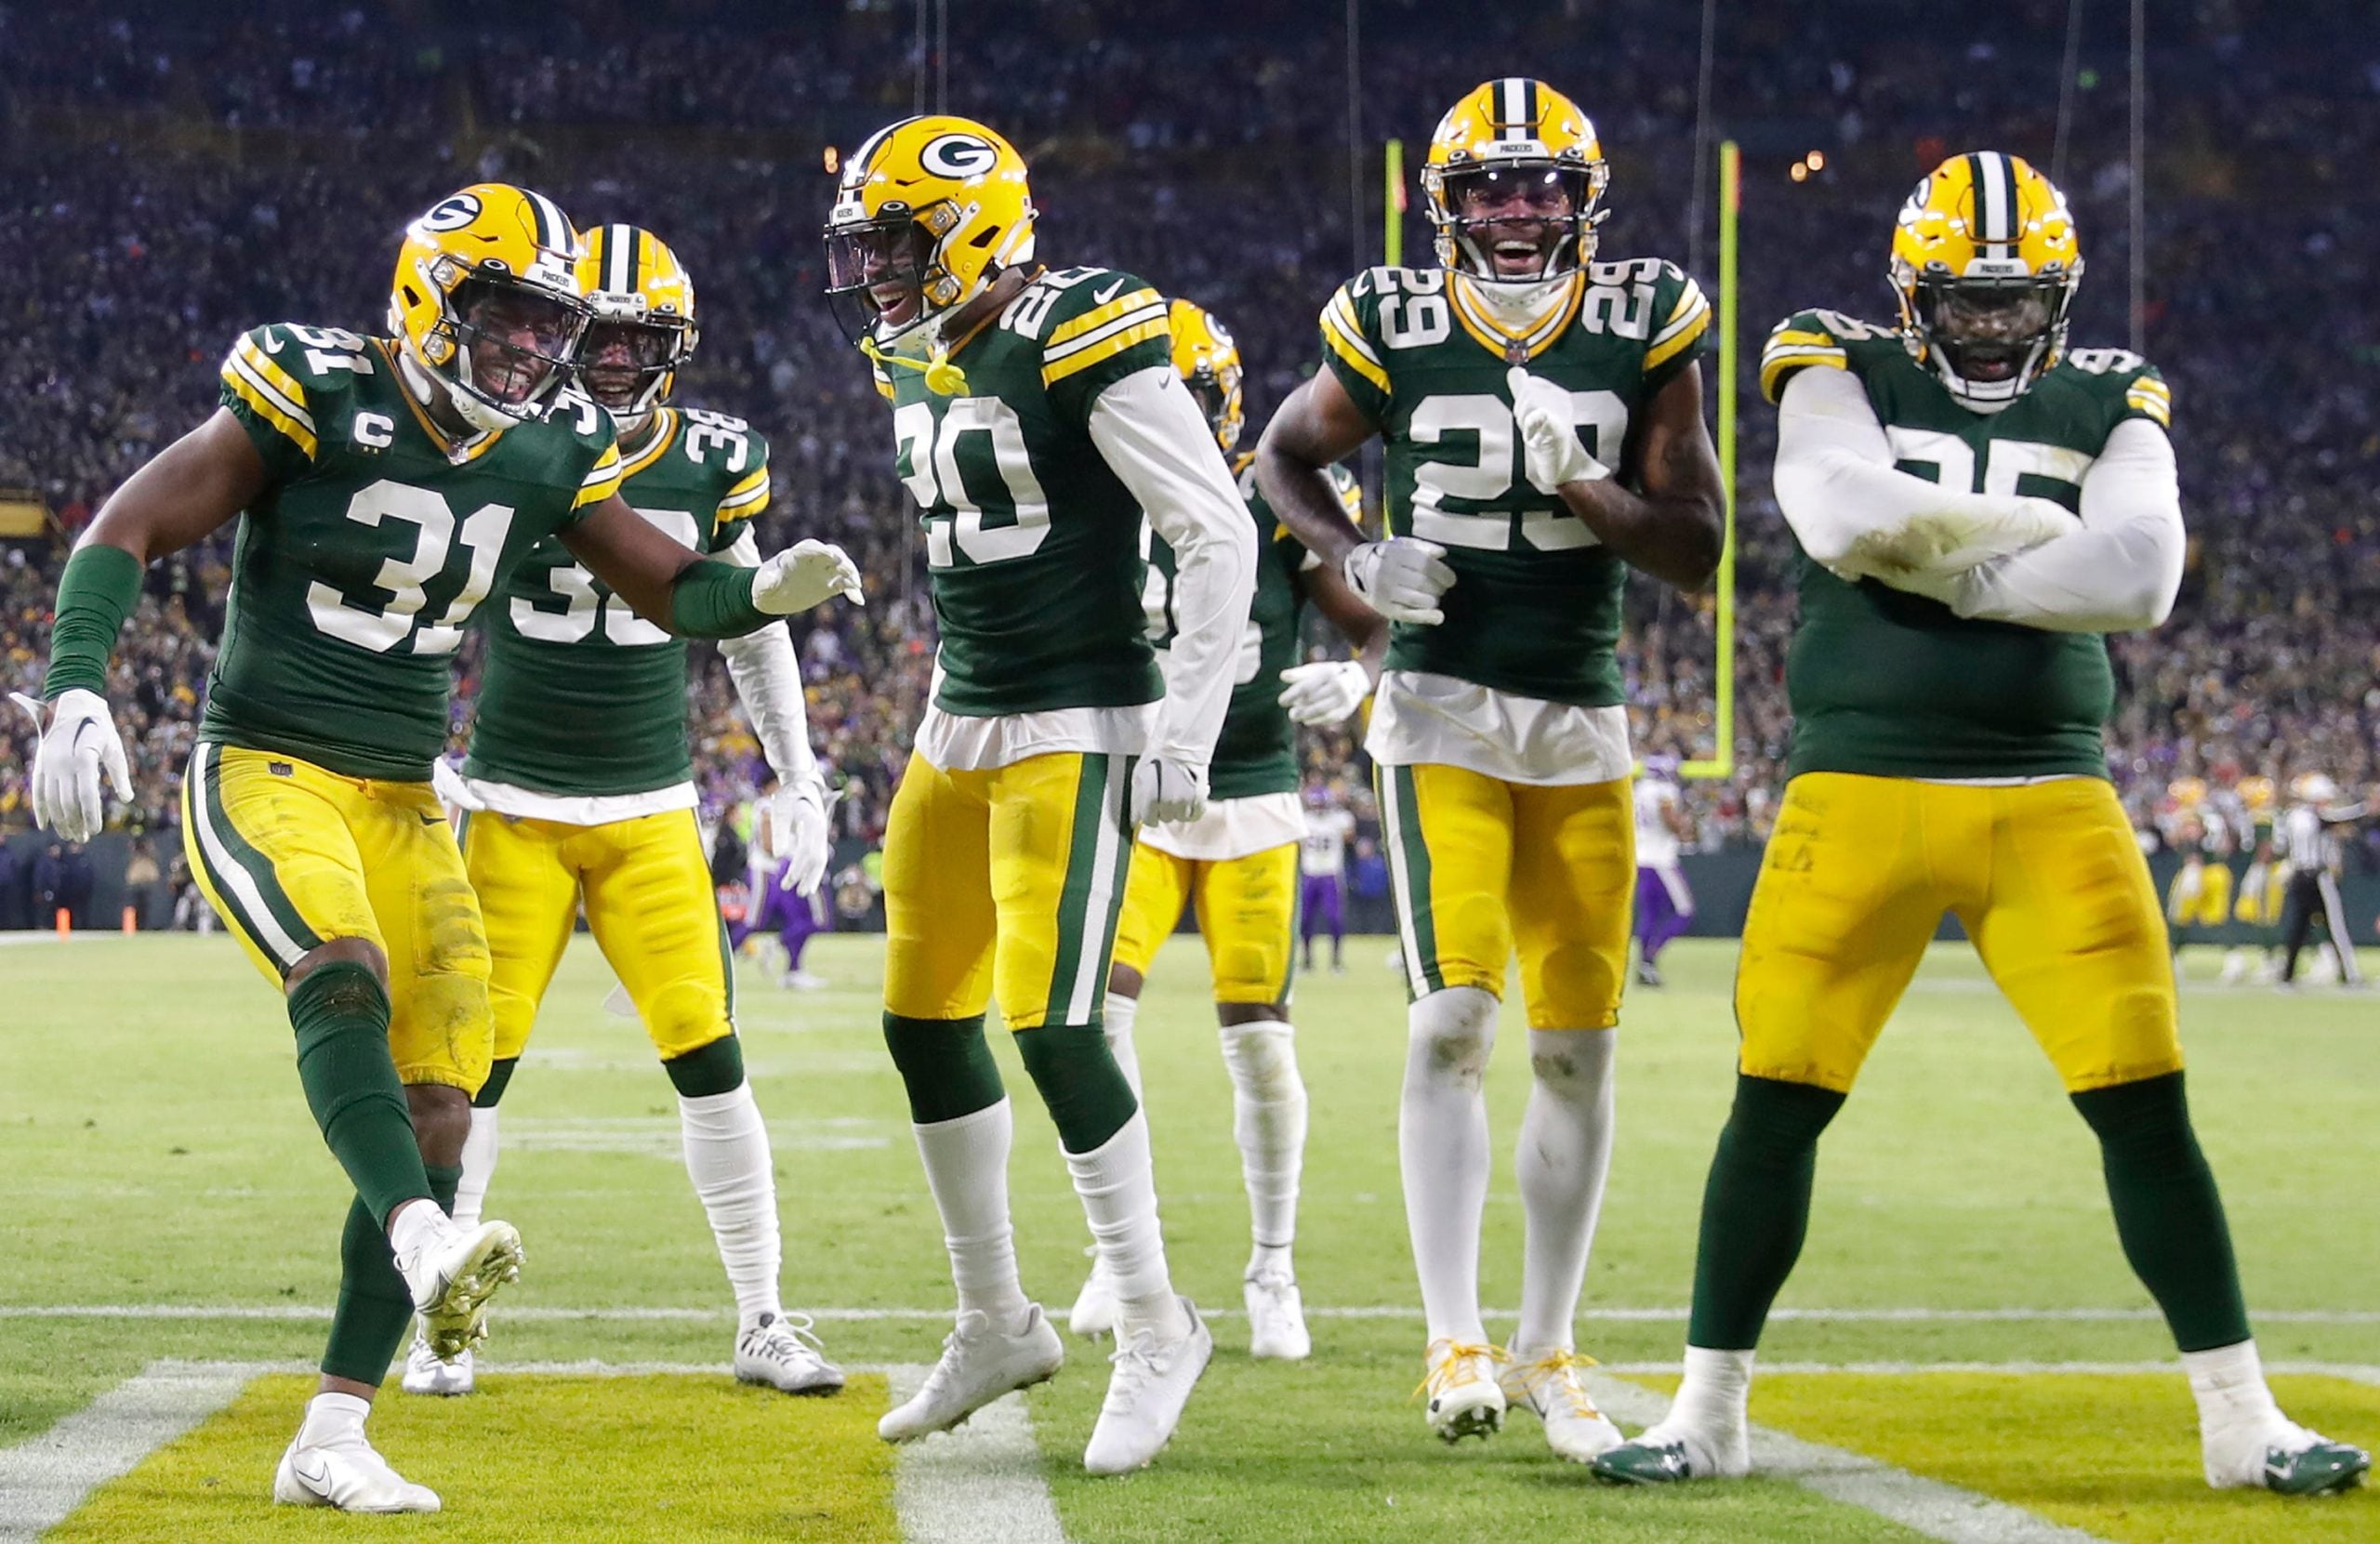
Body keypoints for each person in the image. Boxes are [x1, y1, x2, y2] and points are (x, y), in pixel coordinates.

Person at [11, 183, 862, 1513]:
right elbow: (131, 524)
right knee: (340, 966)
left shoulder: (545, 448)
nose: (532, 352)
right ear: (432, 298)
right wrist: (76, 681)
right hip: (269, 764)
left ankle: (332, 1437)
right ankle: (421, 1240)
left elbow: (668, 583)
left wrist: (762, 591)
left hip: (407, 793)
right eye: (509, 320)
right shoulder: (321, 391)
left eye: (548, 328)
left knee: (446, 1104)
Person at [1592, 152, 2368, 1498]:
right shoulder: (1828, 354)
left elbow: (2142, 574)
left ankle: (2242, 1420)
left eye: (2019, 302)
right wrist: (2031, 546)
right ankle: (1706, 1410)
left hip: (2053, 801)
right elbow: (1834, 510)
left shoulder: (2116, 387)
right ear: (1911, 294)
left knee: (2146, 1106)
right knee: (1773, 1105)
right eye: (1969, 302)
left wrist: (1937, 555)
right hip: (1859, 794)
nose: (1997, 326)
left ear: (2059, 295)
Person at [1255, 77, 1724, 1461]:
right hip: (1443, 712)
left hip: (1579, 719)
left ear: (1585, 199)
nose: (1517, 211)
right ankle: (1453, 1340)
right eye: (1489, 187)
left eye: (1542, 185)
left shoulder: (1647, 319)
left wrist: (1588, 487)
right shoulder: (1393, 322)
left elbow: (1695, 547)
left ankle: (1547, 1343)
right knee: (1450, 1023)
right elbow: (1282, 452)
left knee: (1577, 1048)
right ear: (1443, 202)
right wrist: (1348, 553)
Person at [825, 115, 1255, 1473]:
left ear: (976, 226)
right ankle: (996, 1317)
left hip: (1083, 714)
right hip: (962, 719)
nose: (881, 272)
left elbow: (1215, 525)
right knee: (921, 1019)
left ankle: (1152, 1316)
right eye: (869, 246)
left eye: (900, 241)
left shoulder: (1086, 325)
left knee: (1059, 1024)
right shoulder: (913, 351)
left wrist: (1187, 729)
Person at [412, 224, 850, 1400]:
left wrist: (796, 771)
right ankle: (438, 1312)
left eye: (635, 339)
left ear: (673, 346)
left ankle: (762, 1314)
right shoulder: (508, 438)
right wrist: (421, 744)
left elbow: (753, 624)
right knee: (472, 1077)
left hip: (651, 806)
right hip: (510, 803)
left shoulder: (713, 456)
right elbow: (431, 584)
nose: (610, 362)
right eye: (594, 336)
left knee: (710, 1060)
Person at [1070, 299, 1386, 1362]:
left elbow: (1372, 617)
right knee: (1095, 1027)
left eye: (1195, 398)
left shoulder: (1275, 494)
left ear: (1229, 402)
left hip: (1248, 788)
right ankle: (1123, 1259)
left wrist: (1361, 673)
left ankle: (1272, 1265)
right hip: (1135, 797)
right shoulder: (1098, 491)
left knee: (1256, 1044)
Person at [2276, 773, 2365, 986]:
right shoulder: (2313, 817)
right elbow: (2336, 820)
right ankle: (2350, 976)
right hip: (2317, 876)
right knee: (2335, 926)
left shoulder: (2292, 815)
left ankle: (2287, 976)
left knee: (2299, 927)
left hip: (2299, 875)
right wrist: (2363, 807)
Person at [1630, 757, 1696, 986]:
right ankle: (1649, 958)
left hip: (1642, 857)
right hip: (1661, 860)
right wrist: (1684, 826)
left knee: (1649, 913)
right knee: (1684, 910)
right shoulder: (1663, 790)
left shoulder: (1639, 789)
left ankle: (1644, 966)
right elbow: (1670, 820)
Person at [1300, 775, 1358, 974]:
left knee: (1334, 918)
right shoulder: (1304, 820)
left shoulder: (1339, 819)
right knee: (1305, 919)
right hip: (1310, 873)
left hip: (1330, 874)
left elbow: (1350, 834)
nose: (1318, 808)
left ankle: (1336, 961)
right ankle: (1307, 960)